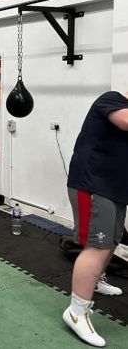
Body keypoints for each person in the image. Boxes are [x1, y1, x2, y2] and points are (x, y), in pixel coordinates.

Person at [64, 91, 127, 347]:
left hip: (115, 188)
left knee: (113, 240)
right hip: (92, 185)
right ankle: (76, 312)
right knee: (97, 247)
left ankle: (96, 280)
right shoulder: (111, 99)